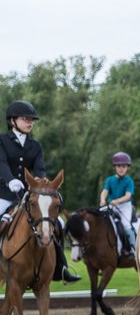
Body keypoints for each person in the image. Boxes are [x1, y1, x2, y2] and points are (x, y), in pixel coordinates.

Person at [0, 99, 81, 282]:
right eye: (25, 119)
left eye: (31, 120)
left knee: (57, 222)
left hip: (31, 196)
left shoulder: (35, 146)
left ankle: (61, 268)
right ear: (13, 121)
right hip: (5, 194)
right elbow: (1, 163)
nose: (30, 122)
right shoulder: (2, 141)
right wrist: (10, 179)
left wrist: (38, 182)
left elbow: (40, 169)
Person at [101, 151, 137, 256]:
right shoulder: (110, 180)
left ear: (127, 168)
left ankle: (133, 248)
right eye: (119, 166)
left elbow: (128, 196)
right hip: (112, 206)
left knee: (126, 226)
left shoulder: (129, 181)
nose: (121, 168)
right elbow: (105, 191)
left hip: (125, 206)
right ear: (115, 167)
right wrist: (103, 200)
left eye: (124, 166)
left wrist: (116, 201)